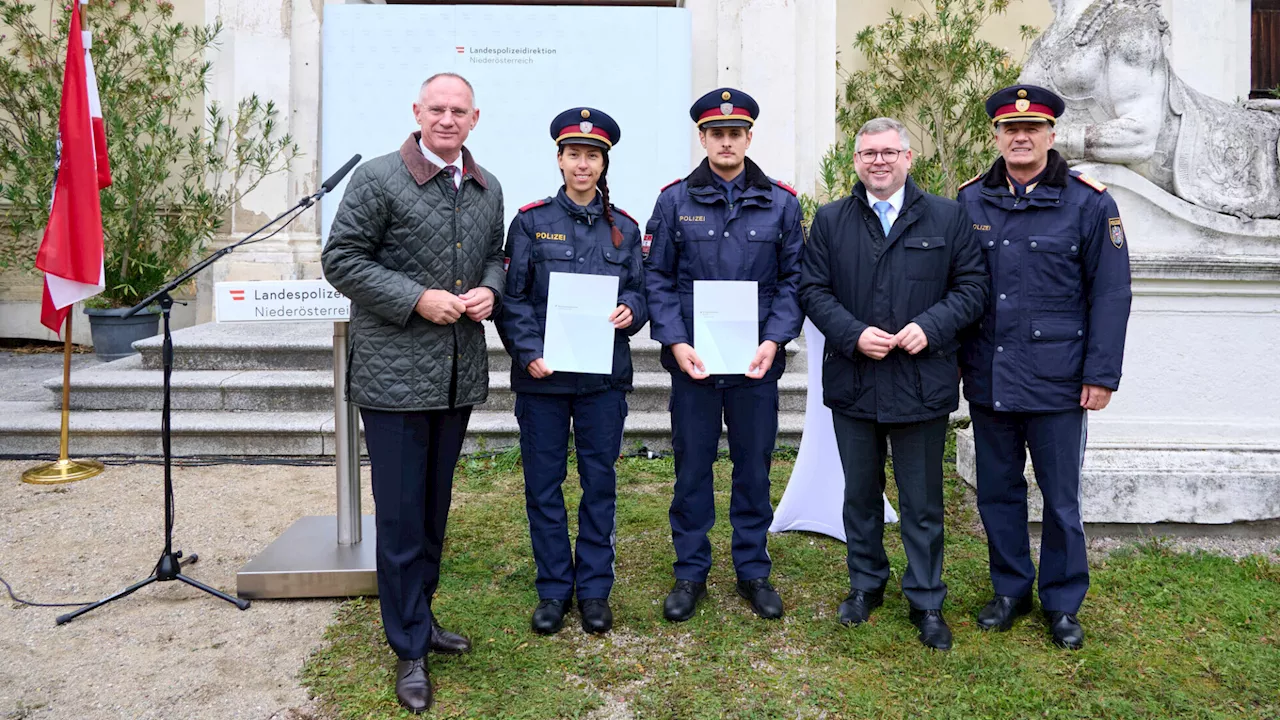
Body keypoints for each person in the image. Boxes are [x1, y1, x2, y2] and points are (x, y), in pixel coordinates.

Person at [320, 72, 504, 714]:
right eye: (437, 109)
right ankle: (408, 649)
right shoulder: (376, 178)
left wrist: (491, 289)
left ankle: (420, 619)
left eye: (459, 111)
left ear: (474, 119)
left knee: (432, 509)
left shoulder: (487, 186)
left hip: (454, 374)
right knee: (399, 518)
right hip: (395, 377)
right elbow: (340, 258)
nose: (447, 120)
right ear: (417, 112)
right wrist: (415, 298)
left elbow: (496, 255)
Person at [799, 117, 987, 651]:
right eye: (867, 154)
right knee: (859, 494)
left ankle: (927, 598)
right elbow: (812, 289)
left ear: (908, 157)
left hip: (919, 383)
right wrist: (853, 333)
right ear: (855, 162)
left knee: (922, 500)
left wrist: (929, 327)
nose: (878, 162)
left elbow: (973, 287)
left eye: (887, 152)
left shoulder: (949, 218)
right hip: (854, 380)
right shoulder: (832, 221)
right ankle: (866, 584)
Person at [957, 84, 1132, 651]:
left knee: (1060, 499)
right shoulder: (970, 201)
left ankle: (1061, 601)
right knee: (997, 493)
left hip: (1059, 380)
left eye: (1032, 129)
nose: (1021, 137)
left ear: (1051, 135)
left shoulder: (1090, 202)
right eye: (1010, 129)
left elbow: (1111, 294)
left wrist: (1101, 375)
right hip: (989, 374)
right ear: (997, 137)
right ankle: (1010, 589)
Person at [643, 87, 805, 623]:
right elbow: (658, 277)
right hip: (695, 364)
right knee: (693, 467)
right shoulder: (673, 201)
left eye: (736, 134)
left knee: (754, 467)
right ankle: (690, 571)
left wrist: (774, 340)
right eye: (717, 134)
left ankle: (752, 569)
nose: (727, 142)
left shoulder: (781, 202)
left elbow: (793, 281)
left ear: (749, 137)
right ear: (704, 138)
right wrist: (675, 340)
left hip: (755, 365)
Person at [496, 107, 647, 637]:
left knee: (599, 483)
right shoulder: (532, 222)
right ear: (559, 159)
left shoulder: (625, 229)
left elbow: (640, 290)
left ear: (604, 163)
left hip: (603, 382)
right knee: (544, 485)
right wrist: (527, 350)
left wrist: (633, 309)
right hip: (544, 379)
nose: (583, 164)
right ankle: (555, 589)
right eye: (574, 154)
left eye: (593, 156)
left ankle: (596, 589)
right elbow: (510, 301)